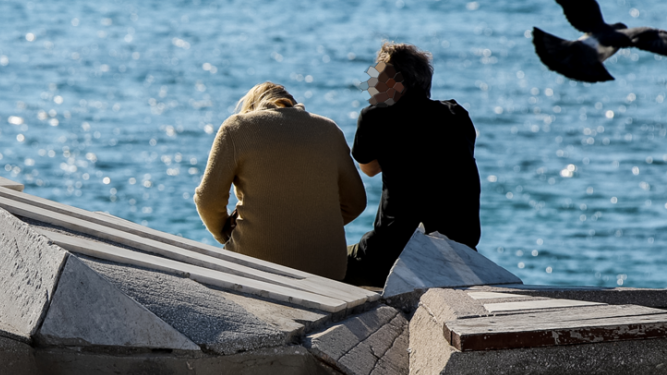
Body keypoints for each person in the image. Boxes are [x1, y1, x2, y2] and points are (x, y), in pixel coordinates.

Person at [194, 82, 367, 280]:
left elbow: (207, 200)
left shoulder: (237, 128)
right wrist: (309, 226)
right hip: (328, 271)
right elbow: (356, 202)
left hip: (257, 265)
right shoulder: (329, 130)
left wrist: (224, 234)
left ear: (251, 108)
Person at [344, 42, 481, 287]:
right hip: (460, 255)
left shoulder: (375, 115)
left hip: (394, 258)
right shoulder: (457, 115)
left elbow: (369, 168)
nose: (371, 84)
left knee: (321, 262)